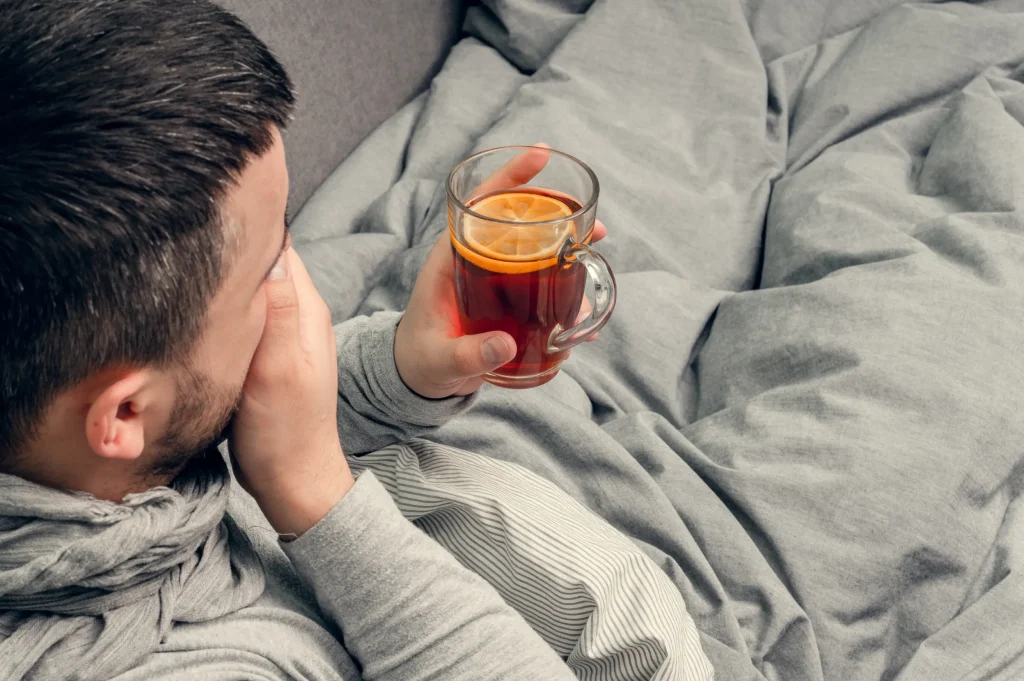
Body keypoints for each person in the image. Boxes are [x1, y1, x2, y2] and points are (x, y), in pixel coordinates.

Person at [0, 1, 605, 679]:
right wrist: (316, 493)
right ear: (124, 415)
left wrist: (402, 365)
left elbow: (239, 409)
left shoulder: (72, 448)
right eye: (268, 270)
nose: (297, 284)